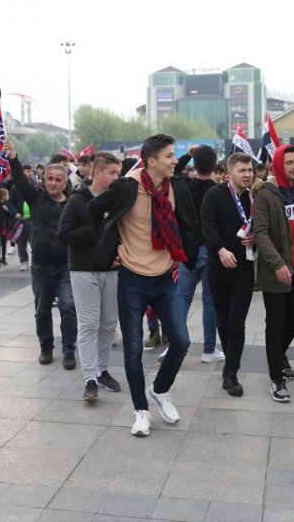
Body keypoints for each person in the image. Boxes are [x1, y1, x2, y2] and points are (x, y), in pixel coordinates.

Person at [89, 134, 198, 436]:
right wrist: (109, 249)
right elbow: (95, 208)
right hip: (132, 279)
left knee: (181, 341)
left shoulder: (176, 187)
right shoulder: (127, 186)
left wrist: (182, 255)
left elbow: (189, 223)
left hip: (164, 279)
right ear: (151, 161)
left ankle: (160, 390)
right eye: (169, 156)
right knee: (133, 348)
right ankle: (141, 411)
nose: (175, 161)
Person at [57, 151, 123, 402]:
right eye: (112, 173)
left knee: (109, 323)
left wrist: (119, 253)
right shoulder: (77, 200)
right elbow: (65, 235)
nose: (116, 178)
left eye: (118, 173)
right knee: (89, 324)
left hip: (111, 270)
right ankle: (90, 378)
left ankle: (102, 370)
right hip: (83, 270)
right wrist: (96, 226)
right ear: (97, 173)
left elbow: (124, 233)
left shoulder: (116, 200)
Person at [6, 140, 77, 369]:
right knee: (42, 310)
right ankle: (46, 347)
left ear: (65, 182)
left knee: (68, 307)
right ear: (44, 180)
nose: (53, 183)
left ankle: (69, 350)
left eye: (58, 179)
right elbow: (20, 181)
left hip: (66, 266)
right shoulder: (36, 197)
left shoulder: (74, 203)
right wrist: (13, 158)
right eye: (50, 179)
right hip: (41, 266)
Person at [254, 144, 294, 402]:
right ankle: (276, 378)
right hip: (276, 269)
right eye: (288, 162)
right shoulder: (266, 194)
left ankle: (279, 356)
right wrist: (278, 264)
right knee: (276, 323)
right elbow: (261, 232)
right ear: (278, 164)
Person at [201, 152, 257, 396]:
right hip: (218, 267)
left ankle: (231, 372)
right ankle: (229, 361)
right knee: (223, 321)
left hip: (244, 268)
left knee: (237, 322)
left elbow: (259, 227)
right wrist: (220, 249)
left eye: (250, 170)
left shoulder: (254, 197)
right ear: (229, 173)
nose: (247, 175)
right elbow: (207, 226)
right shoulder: (214, 194)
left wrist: (255, 239)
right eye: (241, 170)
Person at [171, 144, 223, 363]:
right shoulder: (218, 191)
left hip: (188, 250)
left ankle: (175, 345)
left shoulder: (184, 186)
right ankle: (209, 350)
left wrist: (187, 155)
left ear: (194, 164)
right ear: (214, 165)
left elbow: (174, 171)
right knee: (210, 302)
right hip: (211, 250)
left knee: (182, 299)